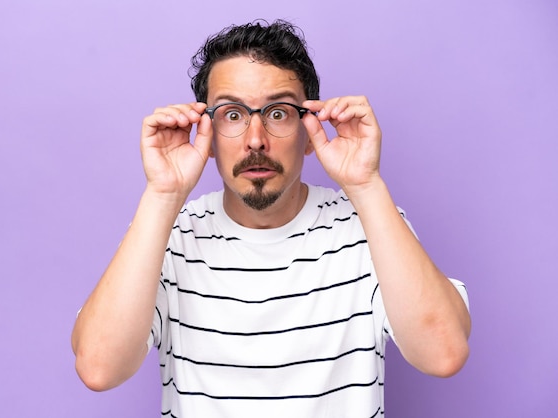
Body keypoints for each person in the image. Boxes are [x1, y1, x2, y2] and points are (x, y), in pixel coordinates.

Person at [71, 19, 471, 417]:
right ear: (206, 135)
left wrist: (365, 185)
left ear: (309, 130)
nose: (256, 138)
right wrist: (163, 196)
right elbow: (99, 367)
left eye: (278, 113)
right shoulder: (166, 233)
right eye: (232, 114)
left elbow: (443, 354)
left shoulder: (371, 225)